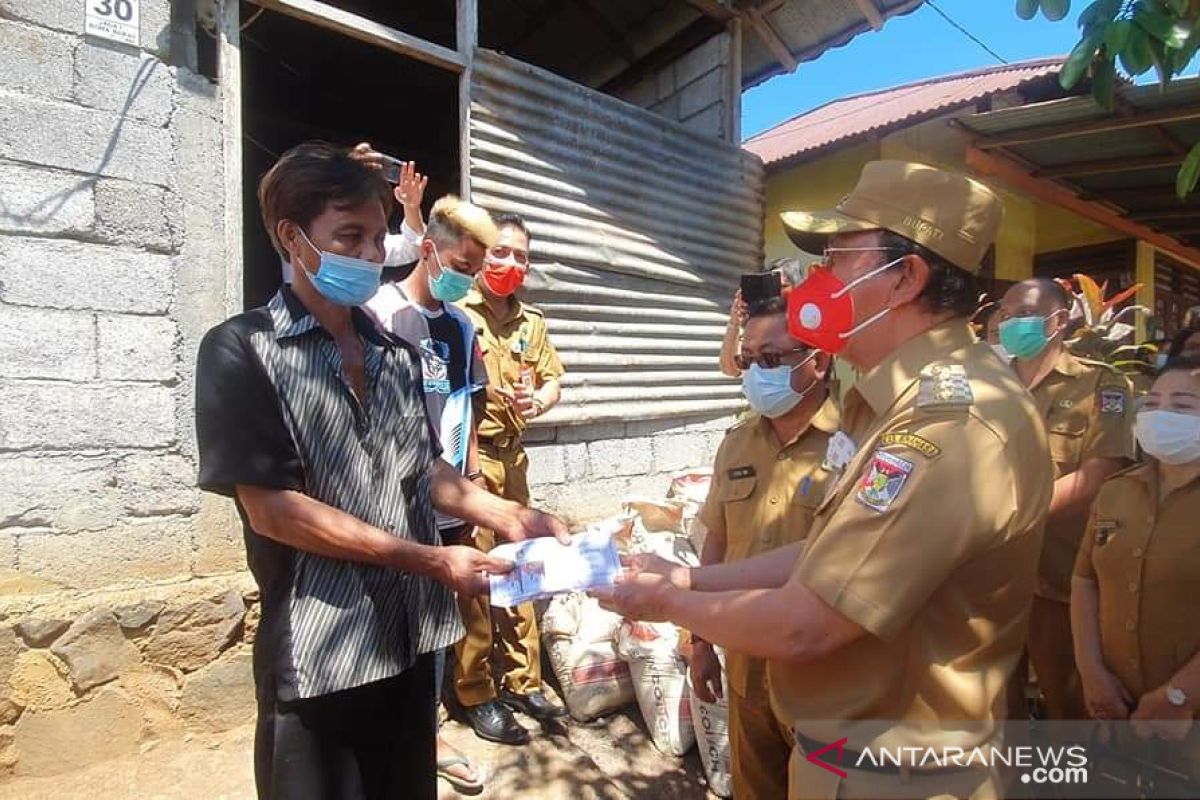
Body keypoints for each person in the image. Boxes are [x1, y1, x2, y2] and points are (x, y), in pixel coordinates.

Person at [598, 160, 1054, 800]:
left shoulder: (953, 422)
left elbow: (805, 624)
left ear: (905, 279)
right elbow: (828, 555)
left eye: (837, 258)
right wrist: (684, 576)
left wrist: (663, 603)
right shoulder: (892, 402)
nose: (817, 280)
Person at [194, 142, 567, 800]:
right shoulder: (240, 349)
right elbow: (272, 509)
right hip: (319, 652)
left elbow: (422, 468)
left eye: (375, 237)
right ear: (292, 236)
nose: (369, 255)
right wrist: (430, 561)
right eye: (349, 236)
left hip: (409, 640)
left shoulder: (394, 354)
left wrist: (505, 514)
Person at [363, 194, 494, 795]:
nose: (466, 279)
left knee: (442, 620)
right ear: (428, 249)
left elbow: (470, 399)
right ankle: (389, 729)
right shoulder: (380, 313)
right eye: (460, 265)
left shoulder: (463, 326)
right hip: (390, 500)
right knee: (390, 614)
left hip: (448, 499)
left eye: (475, 270)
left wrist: (469, 477)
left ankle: (429, 731)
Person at [693, 292, 838, 800]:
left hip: (826, 672)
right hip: (745, 665)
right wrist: (701, 642)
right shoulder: (736, 443)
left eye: (772, 359)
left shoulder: (857, 445)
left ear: (817, 362)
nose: (758, 373)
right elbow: (716, 540)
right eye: (749, 360)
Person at [996, 278, 1135, 720]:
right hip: (989, 578)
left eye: (1023, 314)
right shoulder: (985, 389)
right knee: (995, 709)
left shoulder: (1101, 386)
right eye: (1005, 313)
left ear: (1057, 321)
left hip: (1059, 583)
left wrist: (1010, 516)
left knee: (1071, 711)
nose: (1010, 323)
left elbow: (1100, 475)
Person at [453, 213, 567, 744]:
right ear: (480, 253)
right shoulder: (455, 310)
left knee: (523, 565)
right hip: (465, 464)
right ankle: (476, 691)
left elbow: (552, 381)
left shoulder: (531, 322)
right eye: (501, 252)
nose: (510, 264)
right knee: (479, 574)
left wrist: (537, 400)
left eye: (521, 256)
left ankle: (523, 679)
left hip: (513, 458)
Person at [1072, 357, 1200, 771]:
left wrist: (1180, 694)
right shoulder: (1117, 492)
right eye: (1152, 403)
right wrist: (1091, 673)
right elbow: (1085, 579)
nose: (1162, 414)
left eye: (1182, 405)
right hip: (1116, 712)